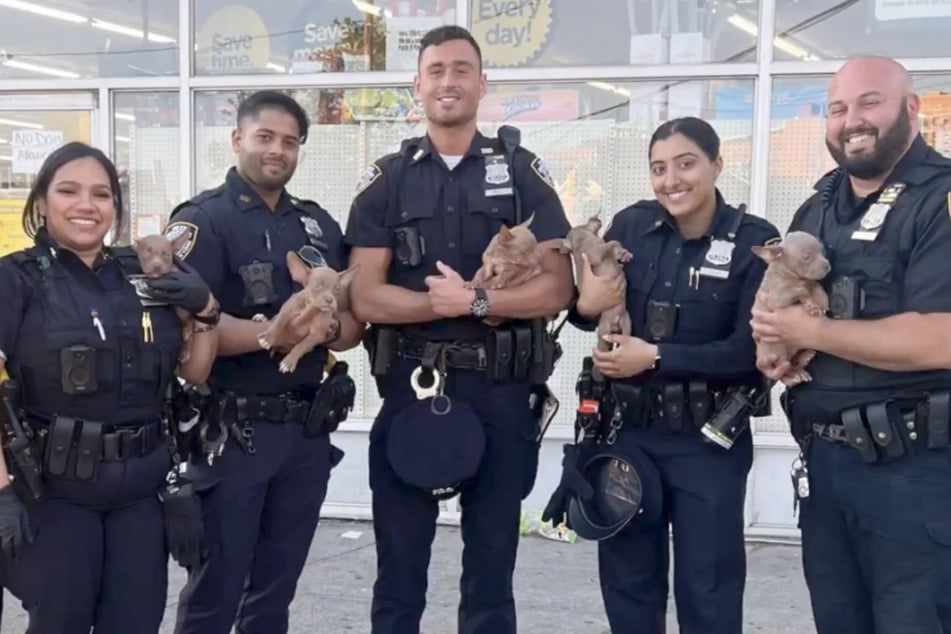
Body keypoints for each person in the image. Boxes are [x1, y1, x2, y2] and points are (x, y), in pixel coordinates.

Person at [345, 25, 574, 634]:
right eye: (437, 70)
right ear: (416, 85)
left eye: (462, 69)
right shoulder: (387, 178)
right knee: (398, 571)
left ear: (481, 83)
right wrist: (443, 304)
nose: (449, 80)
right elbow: (365, 294)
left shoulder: (522, 170)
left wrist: (474, 299)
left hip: (501, 392)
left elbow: (557, 288)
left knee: (492, 573)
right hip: (412, 389)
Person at [545, 117, 781, 634]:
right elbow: (587, 310)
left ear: (718, 165)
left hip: (708, 443)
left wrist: (653, 357)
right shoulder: (632, 226)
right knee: (629, 588)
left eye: (686, 164)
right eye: (659, 168)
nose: (671, 179)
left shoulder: (754, 242)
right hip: (630, 434)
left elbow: (748, 351)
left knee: (710, 590)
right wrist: (592, 312)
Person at [751, 55, 951, 634]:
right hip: (827, 466)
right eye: (838, 108)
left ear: (911, 108)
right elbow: (779, 299)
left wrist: (809, 333)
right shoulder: (819, 205)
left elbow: (941, 337)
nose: (851, 120)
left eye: (870, 103)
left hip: (915, 477)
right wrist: (771, 345)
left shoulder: (939, 200)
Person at [0, 141, 219, 632]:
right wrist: (1, 493)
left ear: (115, 209)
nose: (86, 205)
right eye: (68, 191)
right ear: (41, 202)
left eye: (101, 194)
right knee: (62, 622)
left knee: (135, 623)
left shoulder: (142, 273)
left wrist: (207, 311)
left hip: (140, 495)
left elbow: (195, 374)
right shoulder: (15, 279)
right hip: (57, 497)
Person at [166, 90, 363, 634]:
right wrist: (272, 336)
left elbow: (351, 328)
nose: (278, 150)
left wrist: (330, 329)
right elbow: (185, 333)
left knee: (275, 593)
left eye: (290, 141)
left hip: (305, 433)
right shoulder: (204, 221)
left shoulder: (317, 227)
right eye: (265, 137)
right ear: (237, 140)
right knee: (216, 591)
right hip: (233, 436)